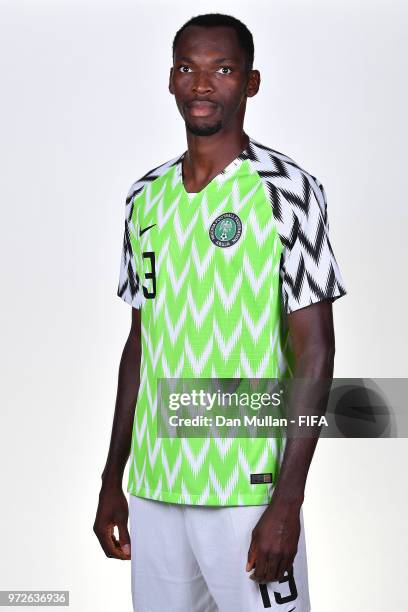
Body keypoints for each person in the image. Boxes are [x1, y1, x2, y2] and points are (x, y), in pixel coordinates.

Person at [93, 12, 346, 612]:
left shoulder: (288, 192)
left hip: (247, 490)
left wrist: (288, 503)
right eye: (188, 68)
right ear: (172, 80)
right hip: (154, 487)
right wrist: (112, 478)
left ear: (250, 83)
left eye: (222, 69)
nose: (202, 85)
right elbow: (140, 344)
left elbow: (315, 351)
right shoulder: (143, 198)